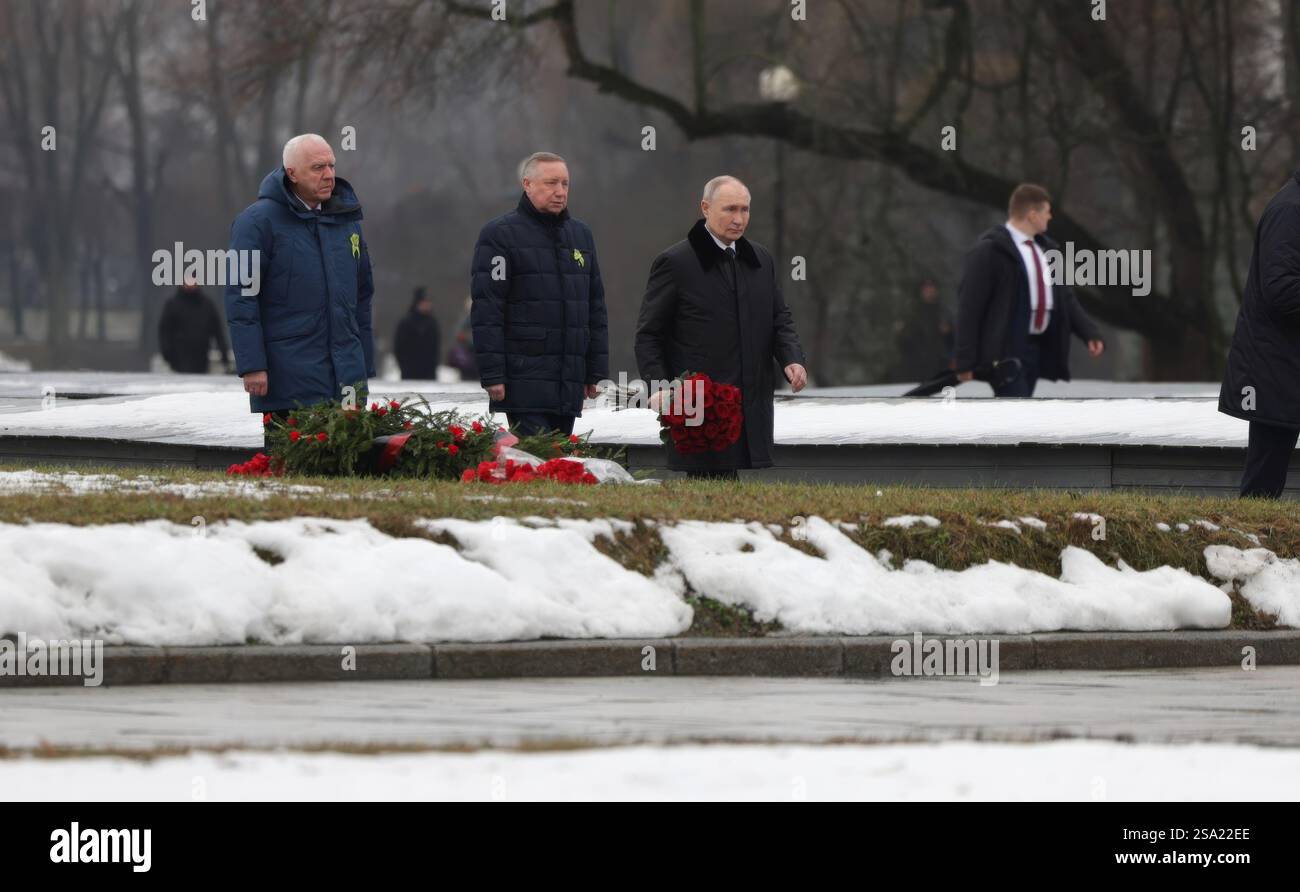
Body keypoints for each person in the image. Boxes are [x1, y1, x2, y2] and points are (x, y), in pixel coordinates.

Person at [635, 175, 808, 480]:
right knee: (707, 486)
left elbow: (779, 318)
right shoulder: (675, 262)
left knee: (728, 488)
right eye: (729, 209)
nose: (739, 219)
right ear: (705, 208)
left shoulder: (760, 259)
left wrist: (791, 358)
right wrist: (661, 388)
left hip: (750, 398)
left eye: (745, 209)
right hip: (700, 402)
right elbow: (649, 334)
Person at [225, 133, 375, 449]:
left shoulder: (346, 221)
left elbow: (362, 296)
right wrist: (252, 365)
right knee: (291, 469)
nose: (329, 174)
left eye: (332, 165)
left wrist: (364, 362)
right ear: (292, 173)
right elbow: (242, 296)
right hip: (288, 380)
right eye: (318, 167)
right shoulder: (256, 222)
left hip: (347, 379)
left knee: (347, 468)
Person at [470, 152, 608, 436]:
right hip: (523, 379)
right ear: (527, 184)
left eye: (565, 184)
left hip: (568, 381)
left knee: (558, 459)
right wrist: (493, 373)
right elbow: (488, 309)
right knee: (537, 457)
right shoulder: (499, 235)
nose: (560, 191)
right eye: (550, 183)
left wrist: (595, 371)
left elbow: (595, 308)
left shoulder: (581, 235)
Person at [955, 183, 1104, 396]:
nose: (1050, 217)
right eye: (1047, 211)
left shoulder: (1047, 250)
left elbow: (1065, 298)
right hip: (1005, 352)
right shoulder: (990, 250)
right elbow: (970, 306)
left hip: (1036, 349)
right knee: (1017, 408)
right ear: (1033, 215)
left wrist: (1089, 332)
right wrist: (965, 360)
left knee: (1021, 410)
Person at [1219, 171, 1300, 498]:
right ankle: (1249, 530)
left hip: (1284, 366)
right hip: (1276, 369)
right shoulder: (1290, 210)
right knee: (1263, 481)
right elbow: (1281, 291)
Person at [158, 275, 230, 374]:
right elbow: (165, 331)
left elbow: (217, 331)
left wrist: (224, 353)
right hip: (178, 358)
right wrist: (167, 353)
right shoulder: (172, 304)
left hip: (201, 358)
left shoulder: (207, 305)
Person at [892, 277, 954, 382]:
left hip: (938, 365)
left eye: (932, 288)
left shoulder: (943, 312)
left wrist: (947, 333)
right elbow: (903, 344)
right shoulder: (912, 312)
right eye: (926, 289)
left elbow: (952, 343)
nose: (929, 292)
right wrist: (901, 334)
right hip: (916, 367)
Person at [393, 287, 441, 380]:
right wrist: (404, 366)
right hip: (409, 372)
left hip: (429, 373)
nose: (427, 305)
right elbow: (399, 347)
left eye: (428, 302)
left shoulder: (432, 323)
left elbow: (435, 348)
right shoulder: (406, 322)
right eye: (424, 302)